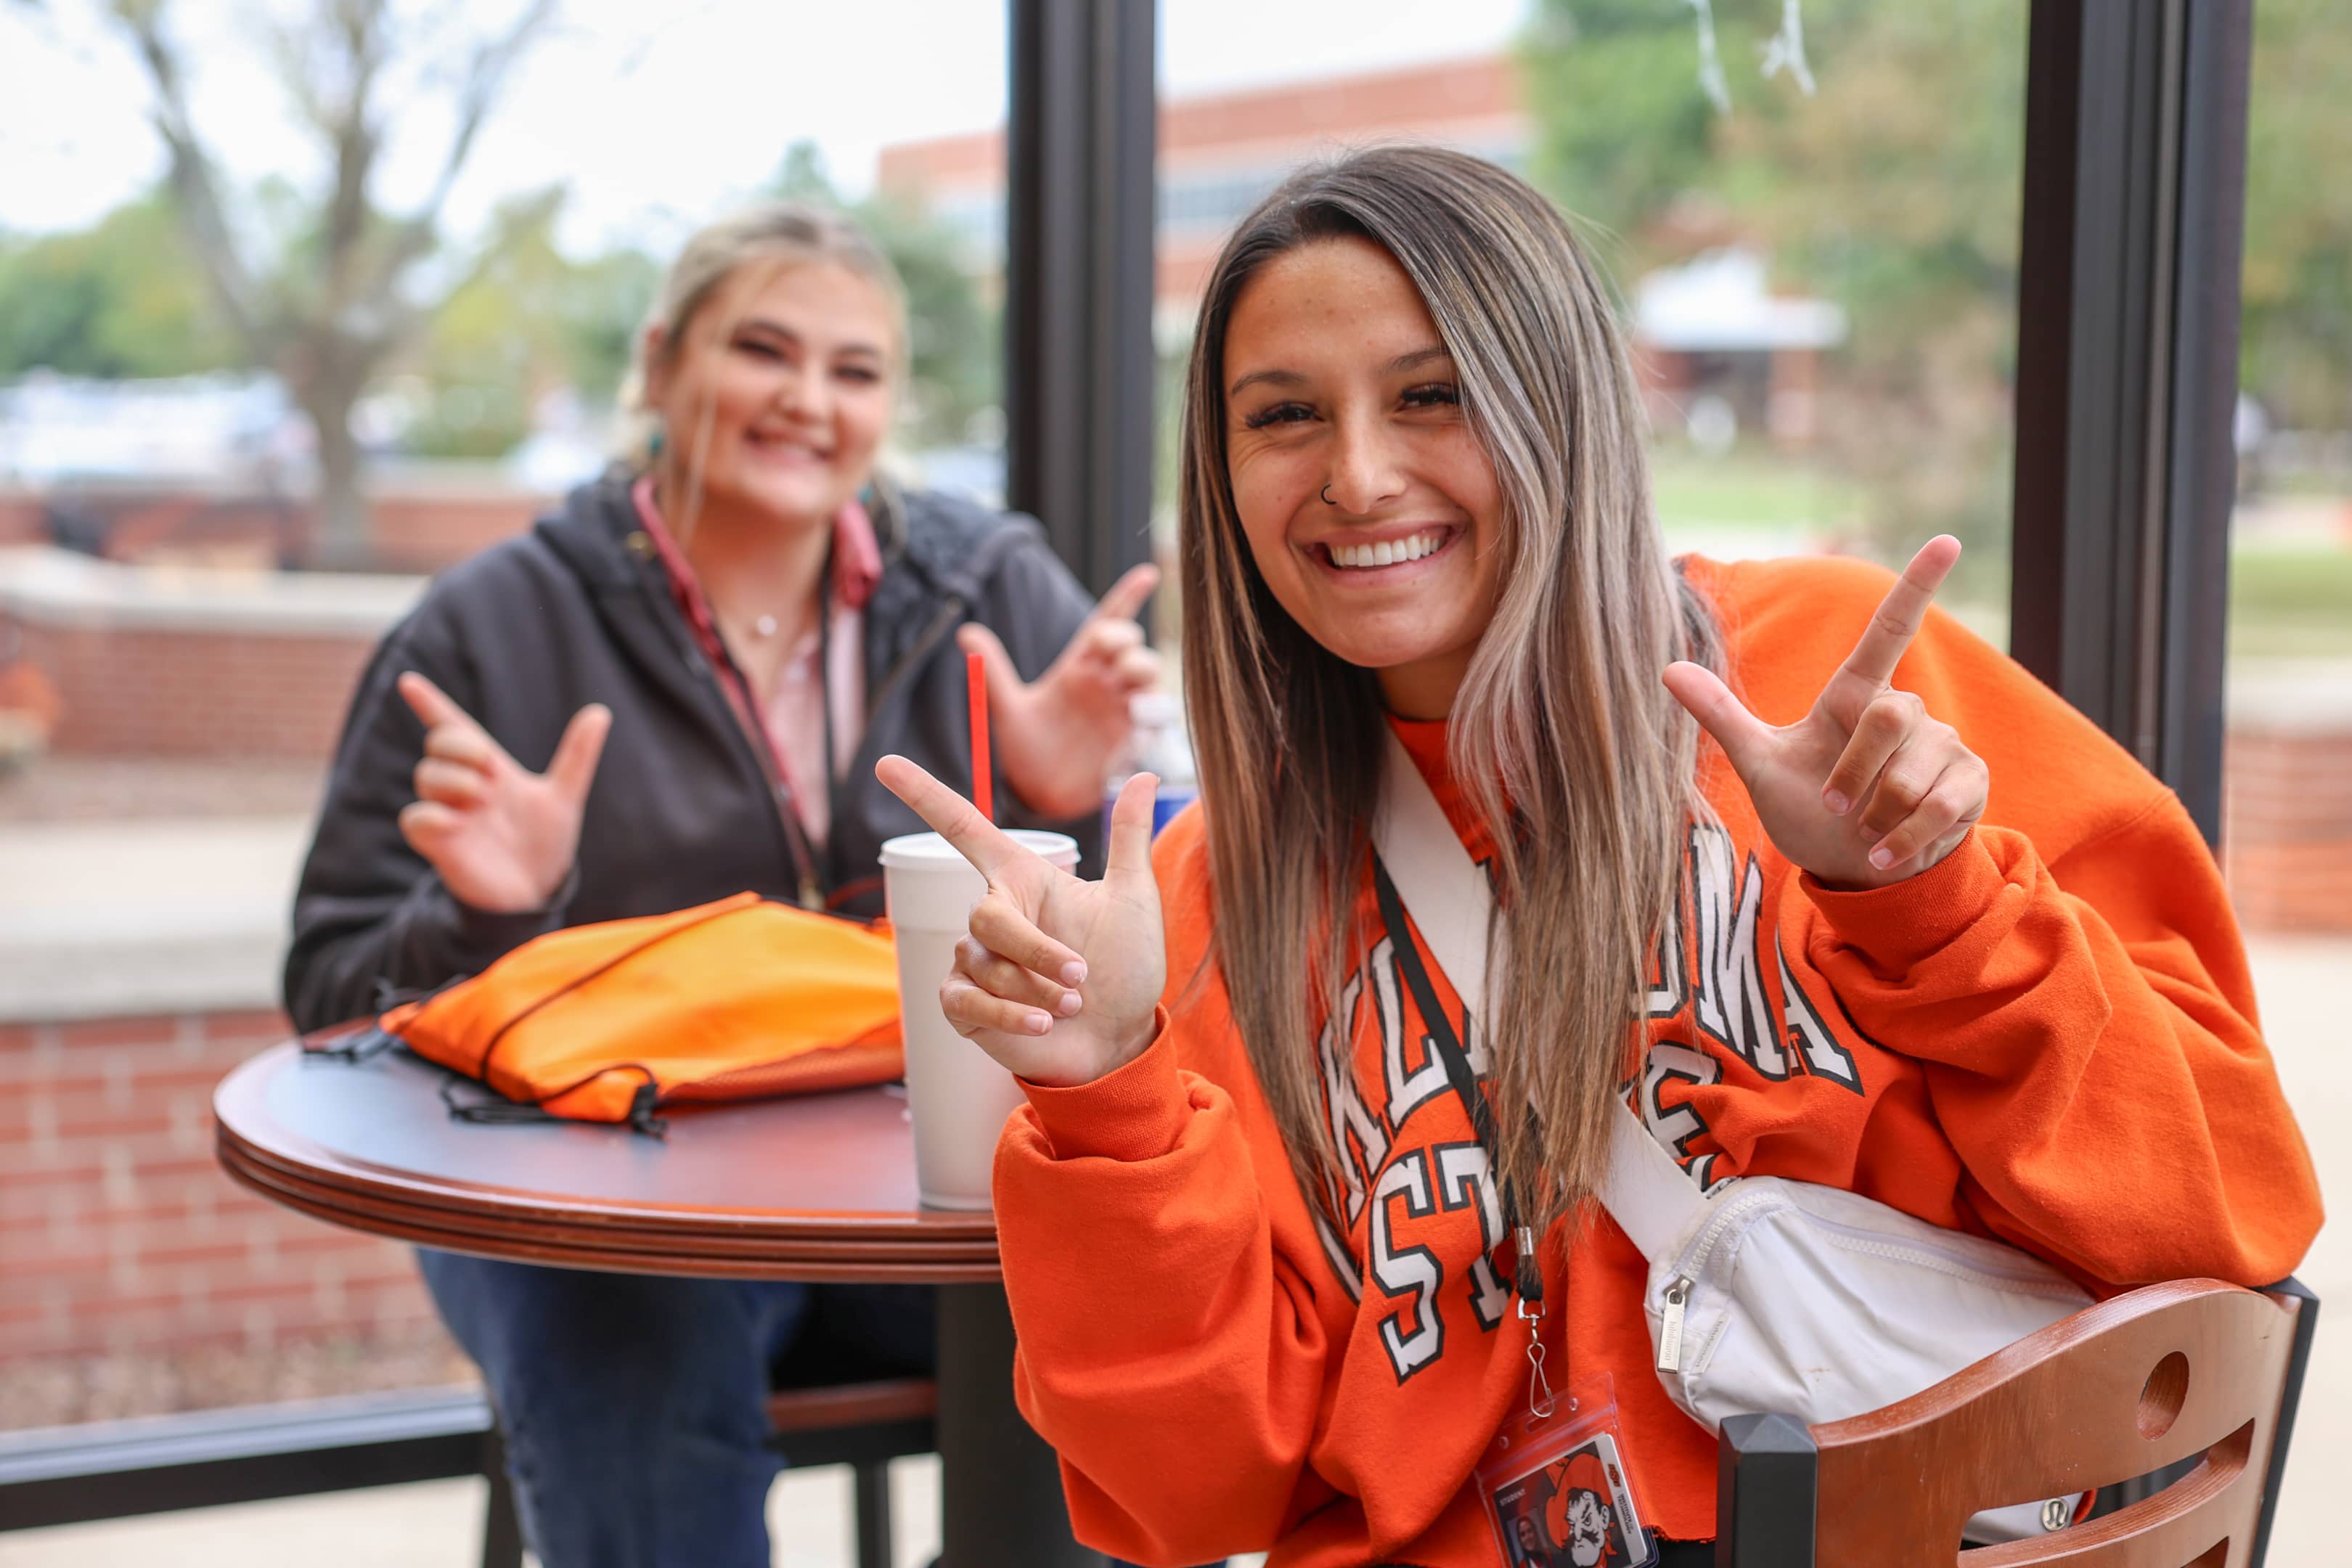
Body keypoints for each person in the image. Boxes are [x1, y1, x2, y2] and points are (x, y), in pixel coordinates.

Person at [875, 147, 2322, 1567]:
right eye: (1284, 417)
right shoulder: (1213, 899)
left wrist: (1924, 904)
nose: (1359, 475)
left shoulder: (1826, 680)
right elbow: (1195, 1503)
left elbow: (2226, 1210)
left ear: (1556, 404)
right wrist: (1108, 1102)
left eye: (1432, 396)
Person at [282, 201, 1159, 1568]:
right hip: (608, 1224)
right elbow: (331, 996)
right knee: (625, 1337)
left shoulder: (991, 588)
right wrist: (490, 910)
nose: (809, 400)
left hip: (928, 1216)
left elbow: (1157, 945)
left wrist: (1059, 794)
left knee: (1108, 1313)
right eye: (764, 349)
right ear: (661, 361)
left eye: (856, 371)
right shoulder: (491, 627)